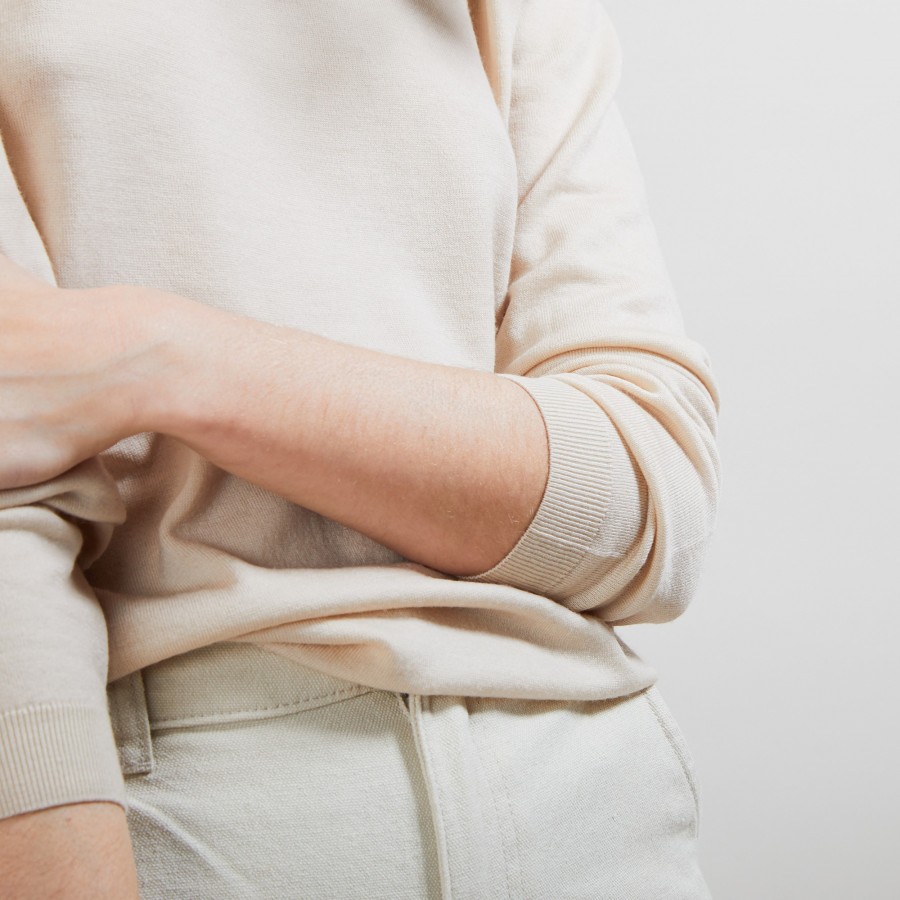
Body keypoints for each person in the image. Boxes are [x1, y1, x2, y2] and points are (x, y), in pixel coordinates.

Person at [0, 1, 720, 897]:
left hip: (594, 793)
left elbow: (645, 506)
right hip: (198, 808)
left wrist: (167, 358)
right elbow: (9, 503)